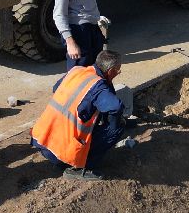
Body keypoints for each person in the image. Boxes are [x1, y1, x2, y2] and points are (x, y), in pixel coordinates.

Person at [30, 48, 131, 181]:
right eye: (118, 70)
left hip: (42, 139)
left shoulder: (76, 71)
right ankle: (82, 168)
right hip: (63, 153)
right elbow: (116, 108)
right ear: (111, 71)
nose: (118, 73)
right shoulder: (98, 87)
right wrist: (115, 122)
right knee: (117, 127)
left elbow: (56, 88)